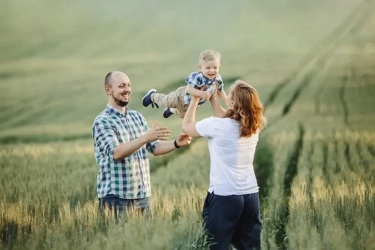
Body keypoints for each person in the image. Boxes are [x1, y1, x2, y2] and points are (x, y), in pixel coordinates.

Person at [92, 71, 192, 220]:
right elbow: (116, 152)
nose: (127, 90)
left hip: (142, 197)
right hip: (116, 198)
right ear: (108, 90)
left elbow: (154, 147)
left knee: (144, 241)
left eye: (128, 85)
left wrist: (176, 143)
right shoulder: (102, 121)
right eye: (121, 86)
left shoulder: (136, 117)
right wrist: (144, 138)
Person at [182, 80, 267, 250]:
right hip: (250, 195)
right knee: (250, 246)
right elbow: (228, 117)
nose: (226, 96)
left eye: (229, 94)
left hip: (225, 196)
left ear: (234, 103)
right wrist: (214, 100)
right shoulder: (253, 125)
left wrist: (194, 99)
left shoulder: (217, 125)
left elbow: (187, 128)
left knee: (217, 245)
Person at [141, 49, 228, 118]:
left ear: (219, 66)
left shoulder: (218, 79)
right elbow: (189, 89)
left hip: (193, 105)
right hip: (181, 97)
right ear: (200, 68)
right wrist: (201, 93)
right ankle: (152, 96)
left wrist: (227, 101)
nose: (212, 70)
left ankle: (170, 110)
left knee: (184, 116)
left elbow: (220, 91)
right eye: (208, 68)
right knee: (165, 101)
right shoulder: (198, 77)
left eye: (215, 67)